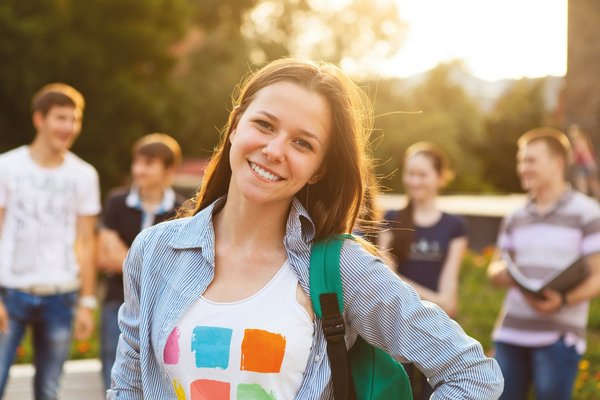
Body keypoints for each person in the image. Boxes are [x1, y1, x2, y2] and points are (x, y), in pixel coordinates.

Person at [108, 58, 503, 399]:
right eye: (264, 125)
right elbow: (129, 388)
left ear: (320, 170)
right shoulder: (155, 251)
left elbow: (472, 373)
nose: (275, 150)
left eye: (302, 143)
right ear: (235, 126)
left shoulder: (340, 268)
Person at [0, 83, 101, 399]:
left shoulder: (84, 175)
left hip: (60, 295)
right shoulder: (7, 167)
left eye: (74, 119)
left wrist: (86, 302)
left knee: (48, 389)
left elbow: (87, 241)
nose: (69, 127)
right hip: (10, 291)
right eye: (60, 118)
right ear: (39, 119)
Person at [487, 127, 600, 400]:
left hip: (559, 336)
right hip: (510, 334)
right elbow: (494, 268)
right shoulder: (515, 216)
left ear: (557, 163)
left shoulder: (587, 213)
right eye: (521, 161)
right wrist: (501, 272)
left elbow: (598, 276)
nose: (523, 168)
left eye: (531, 161)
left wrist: (562, 300)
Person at [377, 142, 468, 399]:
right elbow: (385, 276)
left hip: (437, 331)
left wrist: (439, 300)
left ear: (440, 177)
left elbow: (450, 296)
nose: (414, 181)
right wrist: (435, 299)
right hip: (396, 330)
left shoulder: (455, 226)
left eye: (422, 174)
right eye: (410, 173)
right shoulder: (392, 218)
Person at [96, 133, 185, 391]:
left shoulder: (183, 210)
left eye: (148, 163)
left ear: (168, 169)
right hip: (117, 302)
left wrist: (127, 261)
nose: (139, 169)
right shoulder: (116, 202)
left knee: (156, 379)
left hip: (161, 307)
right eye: (137, 162)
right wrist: (152, 267)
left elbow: (177, 265)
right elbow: (105, 255)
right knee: (113, 377)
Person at [568, 124, 600, 200]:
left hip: (586, 165)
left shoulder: (579, 140)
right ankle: (585, 200)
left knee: (584, 184)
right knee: (592, 184)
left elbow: (577, 153)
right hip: (588, 165)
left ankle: (583, 201)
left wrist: (569, 160)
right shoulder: (583, 139)